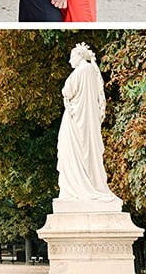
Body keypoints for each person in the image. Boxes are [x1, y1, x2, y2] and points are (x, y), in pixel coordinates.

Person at [56, 43, 116, 202]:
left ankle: (78, 187)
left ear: (80, 56)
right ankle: (88, 183)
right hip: (87, 119)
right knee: (86, 152)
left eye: (72, 57)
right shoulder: (91, 71)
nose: (70, 61)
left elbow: (67, 91)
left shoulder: (81, 71)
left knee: (71, 152)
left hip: (76, 119)